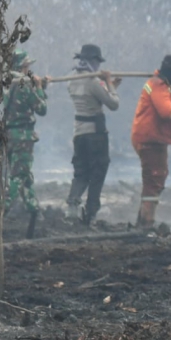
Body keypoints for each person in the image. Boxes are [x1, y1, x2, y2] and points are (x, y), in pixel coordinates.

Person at [131, 54, 171, 231]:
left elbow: (164, 117)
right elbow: (167, 112)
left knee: (156, 179)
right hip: (149, 141)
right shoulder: (158, 86)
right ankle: (146, 225)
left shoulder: (163, 87)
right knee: (154, 180)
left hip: (153, 139)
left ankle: (142, 223)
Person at [66, 44, 120, 224]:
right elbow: (113, 104)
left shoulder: (71, 79)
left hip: (79, 134)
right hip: (95, 135)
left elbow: (95, 96)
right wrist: (110, 84)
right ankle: (91, 213)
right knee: (98, 172)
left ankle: (72, 205)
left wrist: (109, 86)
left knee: (81, 172)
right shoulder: (93, 82)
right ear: (94, 61)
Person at [3, 49, 48, 218]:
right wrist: (39, 87)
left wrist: (39, 85)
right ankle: (2, 209)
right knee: (19, 175)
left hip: (8, 135)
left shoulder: (7, 82)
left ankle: (34, 210)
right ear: (21, 66)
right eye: (27, 66)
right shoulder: (23, 82)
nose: (29, 69)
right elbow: (41, 108)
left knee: (24, 174)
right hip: (23, 136)